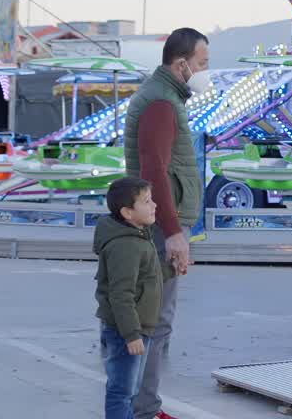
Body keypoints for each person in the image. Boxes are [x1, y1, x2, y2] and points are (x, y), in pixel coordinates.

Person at [123, 28, 210, 419]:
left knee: (151, 318)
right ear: (181, 64)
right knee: (156, 321)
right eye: (202, 63)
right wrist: (174, 231)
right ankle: (143, 409)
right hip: (161, 225)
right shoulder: (161, 103)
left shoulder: (163, 97)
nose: (204, 71)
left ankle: (139, 404)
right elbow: (154, 170)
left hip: (159, 220)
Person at [95, 178, 162, 419]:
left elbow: (146, 277)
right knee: (121, 391)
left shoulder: (138, 236)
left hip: (136, 326)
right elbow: (121, 294)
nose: (154, 205)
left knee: (131, 390)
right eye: (146, 201)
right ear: (127, 212)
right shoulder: (126, 245)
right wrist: (131, 334)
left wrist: (173, 269)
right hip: (126, 330)